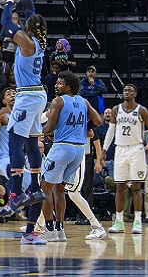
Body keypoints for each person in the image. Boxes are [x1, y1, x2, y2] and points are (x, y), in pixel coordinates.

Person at [0, 0, 49, 245]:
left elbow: (6, 22)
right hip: (38, 95)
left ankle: (16, 192)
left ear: (27, 29)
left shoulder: (26, 42)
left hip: (27, 95)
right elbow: (31, 11)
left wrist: (8, 0)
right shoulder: (39, 40)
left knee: (15, 139)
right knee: (30, 140)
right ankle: (35, 187)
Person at [39, 71, 102, 242]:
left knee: (44, 188)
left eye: (59, 83)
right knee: (60, 190)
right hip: (78, 151)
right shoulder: (84, 101)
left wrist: (37, 131)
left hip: (62, 148)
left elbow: (49, 127)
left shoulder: (58, 101)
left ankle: (50, 229)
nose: (56, 86)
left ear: (68, 86)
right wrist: (83, 127)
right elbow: (98, 121)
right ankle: (60, 230)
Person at [101, 84, 148, 235]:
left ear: (135, 93)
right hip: (120, 149)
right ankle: (119, 221)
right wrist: (104, 151)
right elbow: (111, 131)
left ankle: (137, 220)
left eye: (129, 90)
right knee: (120, 187)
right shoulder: (116, 109)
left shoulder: (141, 110)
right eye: (124, 90)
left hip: (136, 149)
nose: (126, 92)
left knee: (136, 187)